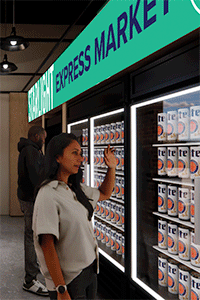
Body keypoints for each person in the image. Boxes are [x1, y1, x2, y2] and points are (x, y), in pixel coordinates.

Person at [32, 133, 117, 300]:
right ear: (57, 157)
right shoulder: (48, 194)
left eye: (81, 153)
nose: (80, 159)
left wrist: (112, 167)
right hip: (69, 280)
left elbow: (104, 193)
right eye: (74, 153)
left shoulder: (76, 189)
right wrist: (61, 289)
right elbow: (47, 245)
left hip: (89, 271)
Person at [17, 125, 48, 296]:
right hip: (30, 200)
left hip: (26, 197)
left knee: (31, 236)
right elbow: (36, 177)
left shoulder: (29, 150)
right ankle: (30, 280)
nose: (44, 141)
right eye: (44, 137)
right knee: (31, 237)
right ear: (36, 136)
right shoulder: (31, 151)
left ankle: (32, 275)